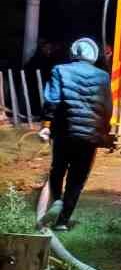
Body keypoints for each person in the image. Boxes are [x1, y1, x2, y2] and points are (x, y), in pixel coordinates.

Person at [35, 38, 112, 231]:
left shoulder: (60, 70)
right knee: (78, 178)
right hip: (89, 136)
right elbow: (107, 108)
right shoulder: (103, 77)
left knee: (58, 168)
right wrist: (103, 131)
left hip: (64, 131)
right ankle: (62, 221)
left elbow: (52, 100)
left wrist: (46, 123)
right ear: (94, 56)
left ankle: (57, 201)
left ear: (73, 52)